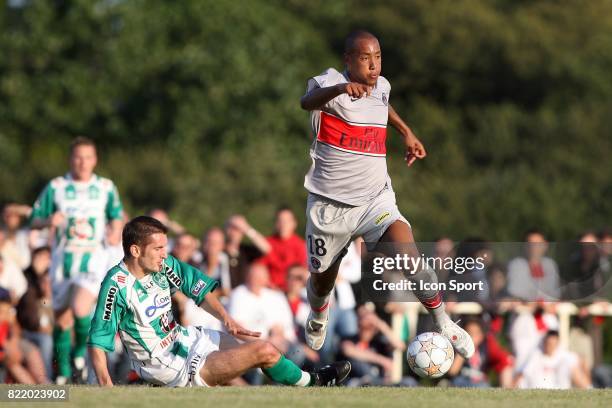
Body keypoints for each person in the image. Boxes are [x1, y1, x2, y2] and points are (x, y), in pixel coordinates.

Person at [299, 30, 474, 359]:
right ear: (348, 59)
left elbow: (383, 106)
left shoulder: (382, 86)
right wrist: (339, 89)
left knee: (410, 257)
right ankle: (319, 312)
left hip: (375, 200)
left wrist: (407, 132)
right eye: (364, 58)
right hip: (329, 207)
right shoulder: (328, 82)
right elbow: (305, 102)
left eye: (377, 56)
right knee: (322, 282)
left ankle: (443, 322)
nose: (373, 65)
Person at [88, 216, 351, 387]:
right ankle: (316, 382)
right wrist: (108, 390)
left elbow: (199, 291)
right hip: (166, 364)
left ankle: (309, 382)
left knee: (263, 350)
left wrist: (228, 320)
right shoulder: (115, 285)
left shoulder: (164, 265)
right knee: (263, 351)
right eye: (158, 249)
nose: (164, 254)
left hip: (186, 338)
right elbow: (98, 343)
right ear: (135, 250)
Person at [29, 136, 124, 383]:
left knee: (81, 307)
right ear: (70, 159)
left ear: (95, 160)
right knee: (61, 321)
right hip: (62, 260)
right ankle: (63, 374)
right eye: (78, 157)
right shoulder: (57, 187)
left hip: (93, 257)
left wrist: (115, 228)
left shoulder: (105, 187)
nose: (83, 162)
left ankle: (80, 354)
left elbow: (116, 215)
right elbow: (35, 218)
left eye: (88, 157)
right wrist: (49, 221)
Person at [259, 207, 307, 291]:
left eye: (286, 221)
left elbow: (302, 272)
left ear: (294, 223)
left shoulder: (300, 245)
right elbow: (260, 268)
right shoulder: (268, 243)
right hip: (270, 291)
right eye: (280, 221)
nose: (283, 224)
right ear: (276, 223)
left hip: (293, 292)